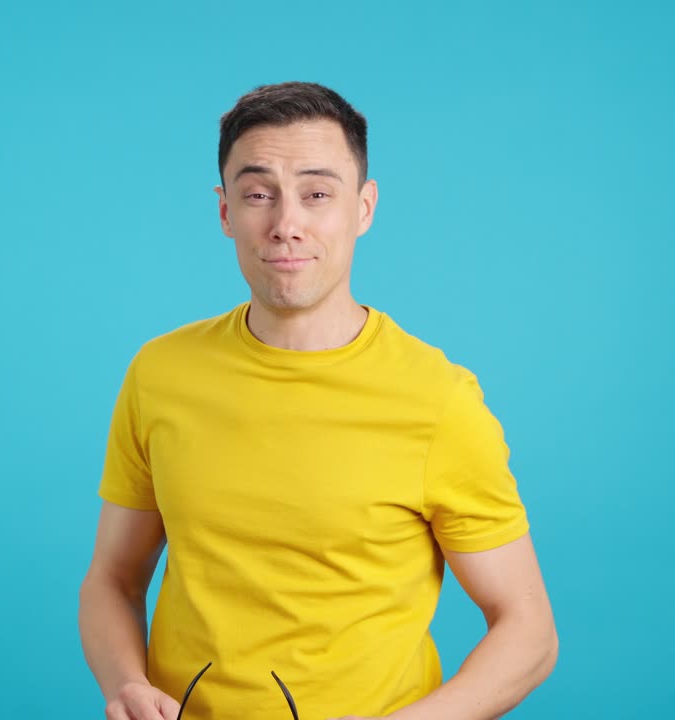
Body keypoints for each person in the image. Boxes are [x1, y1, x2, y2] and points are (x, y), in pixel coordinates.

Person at [78, 81, 557, 720]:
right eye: (258, 195)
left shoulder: (438, 399)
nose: (286, 225)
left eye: (317, 194)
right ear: (225, 212)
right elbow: (113, 576)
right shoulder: (159, 373)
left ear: (364, 208)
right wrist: (125, 685)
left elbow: (528, 631)